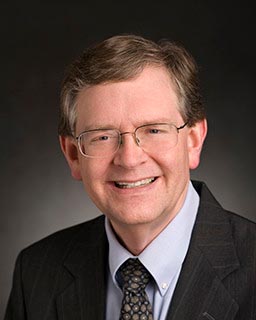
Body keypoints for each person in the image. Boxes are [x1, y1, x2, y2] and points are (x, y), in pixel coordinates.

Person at [4, 34, 256, 320]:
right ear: (73, 155)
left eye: (154, 130)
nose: (129, 159)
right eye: (102, 136)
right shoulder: (36, 272)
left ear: (193, 140)